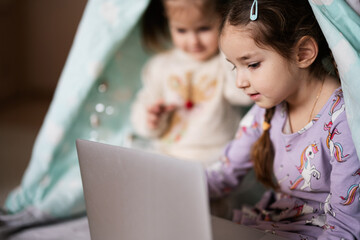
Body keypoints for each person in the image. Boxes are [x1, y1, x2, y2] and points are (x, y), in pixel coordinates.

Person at [206, 0, 360, 239]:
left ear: (303, 53)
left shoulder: (344, 123)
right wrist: (175, 188)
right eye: (235, 67)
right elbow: (223, 175)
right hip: (273, 223)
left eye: (252, 64)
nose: (240, 82)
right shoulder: (266, 108)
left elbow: (345, 227)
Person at [130, 0, 252, 167]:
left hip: (216, 158)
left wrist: (228, 48)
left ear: (224, 20)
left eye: (204, 28)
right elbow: (142, 114)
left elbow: (242, 96)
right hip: (166, 154)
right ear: (168, 23)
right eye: (181, 30)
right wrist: (150, 118)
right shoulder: (160, 66)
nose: (193, 41)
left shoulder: (225, 61)